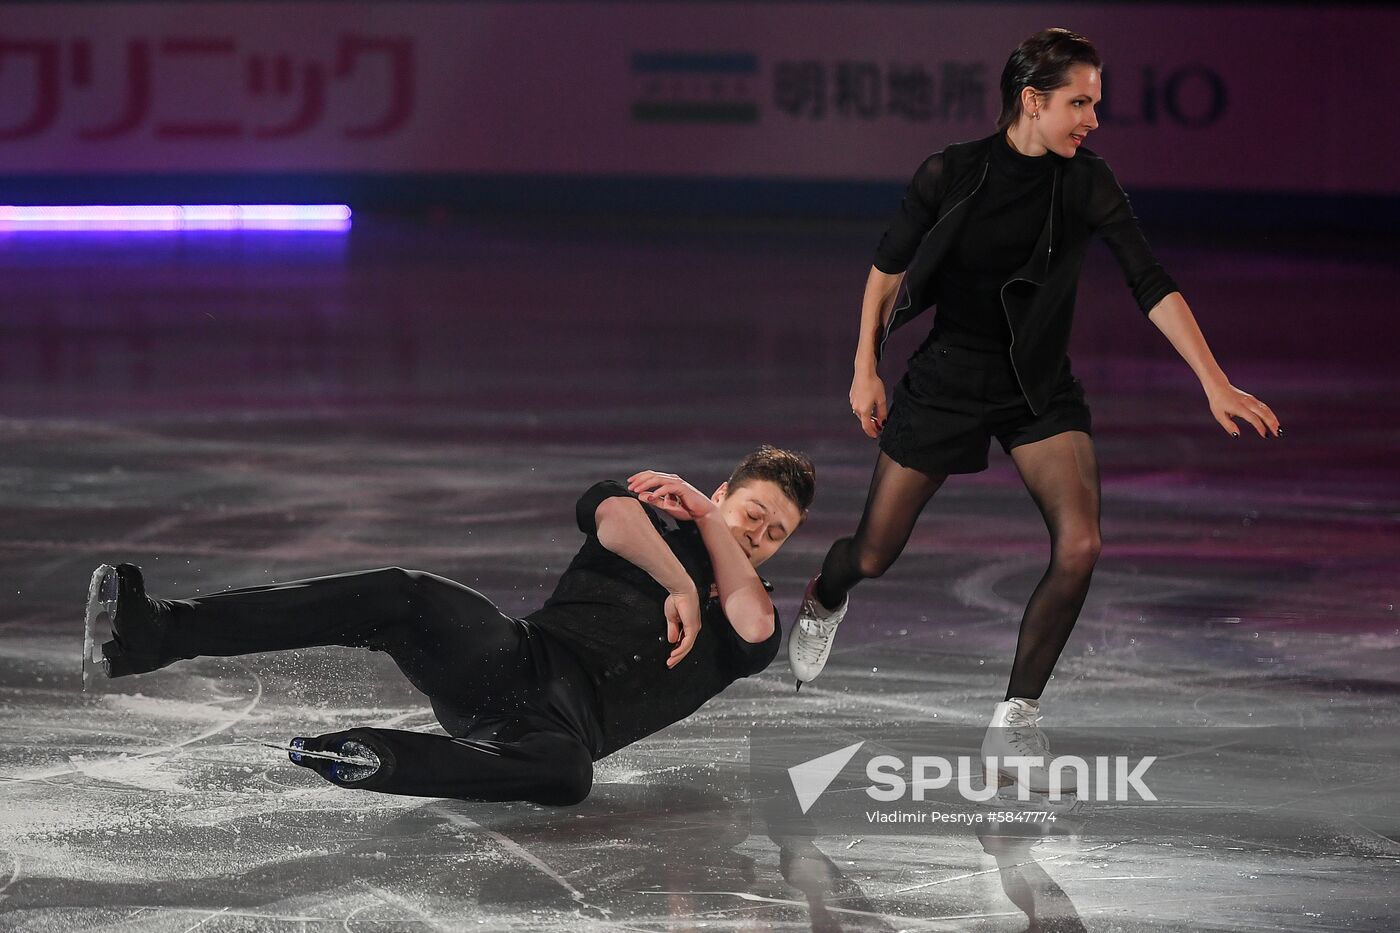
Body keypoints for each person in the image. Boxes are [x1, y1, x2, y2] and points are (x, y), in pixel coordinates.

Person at [786, 29, 1280, 791]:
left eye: (1096, 103)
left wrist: (1212, 379)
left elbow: (1150, 280)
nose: (1091, 119)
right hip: (948, 377)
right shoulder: (951, 172)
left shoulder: (1088, 183)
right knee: (874, 553)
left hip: (1037, 386)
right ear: (1032, 101)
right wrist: (865, 368)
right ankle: (825, 597)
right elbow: (887, 269)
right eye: (1079, 103)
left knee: (1080, 545)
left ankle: (1018, 712)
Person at [85, 446, 814, 805]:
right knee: (406, 594)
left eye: (777, 531)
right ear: (720, 493)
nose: (761, 533)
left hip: (558, 730)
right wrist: (680, 574)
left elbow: (752, 625)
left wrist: (715, 536)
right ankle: (163, 631)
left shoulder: (746, 618)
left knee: (568, 776)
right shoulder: (654, 523)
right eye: (752, 512)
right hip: (509, 661)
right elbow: (611, 511)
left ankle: (380, 759)